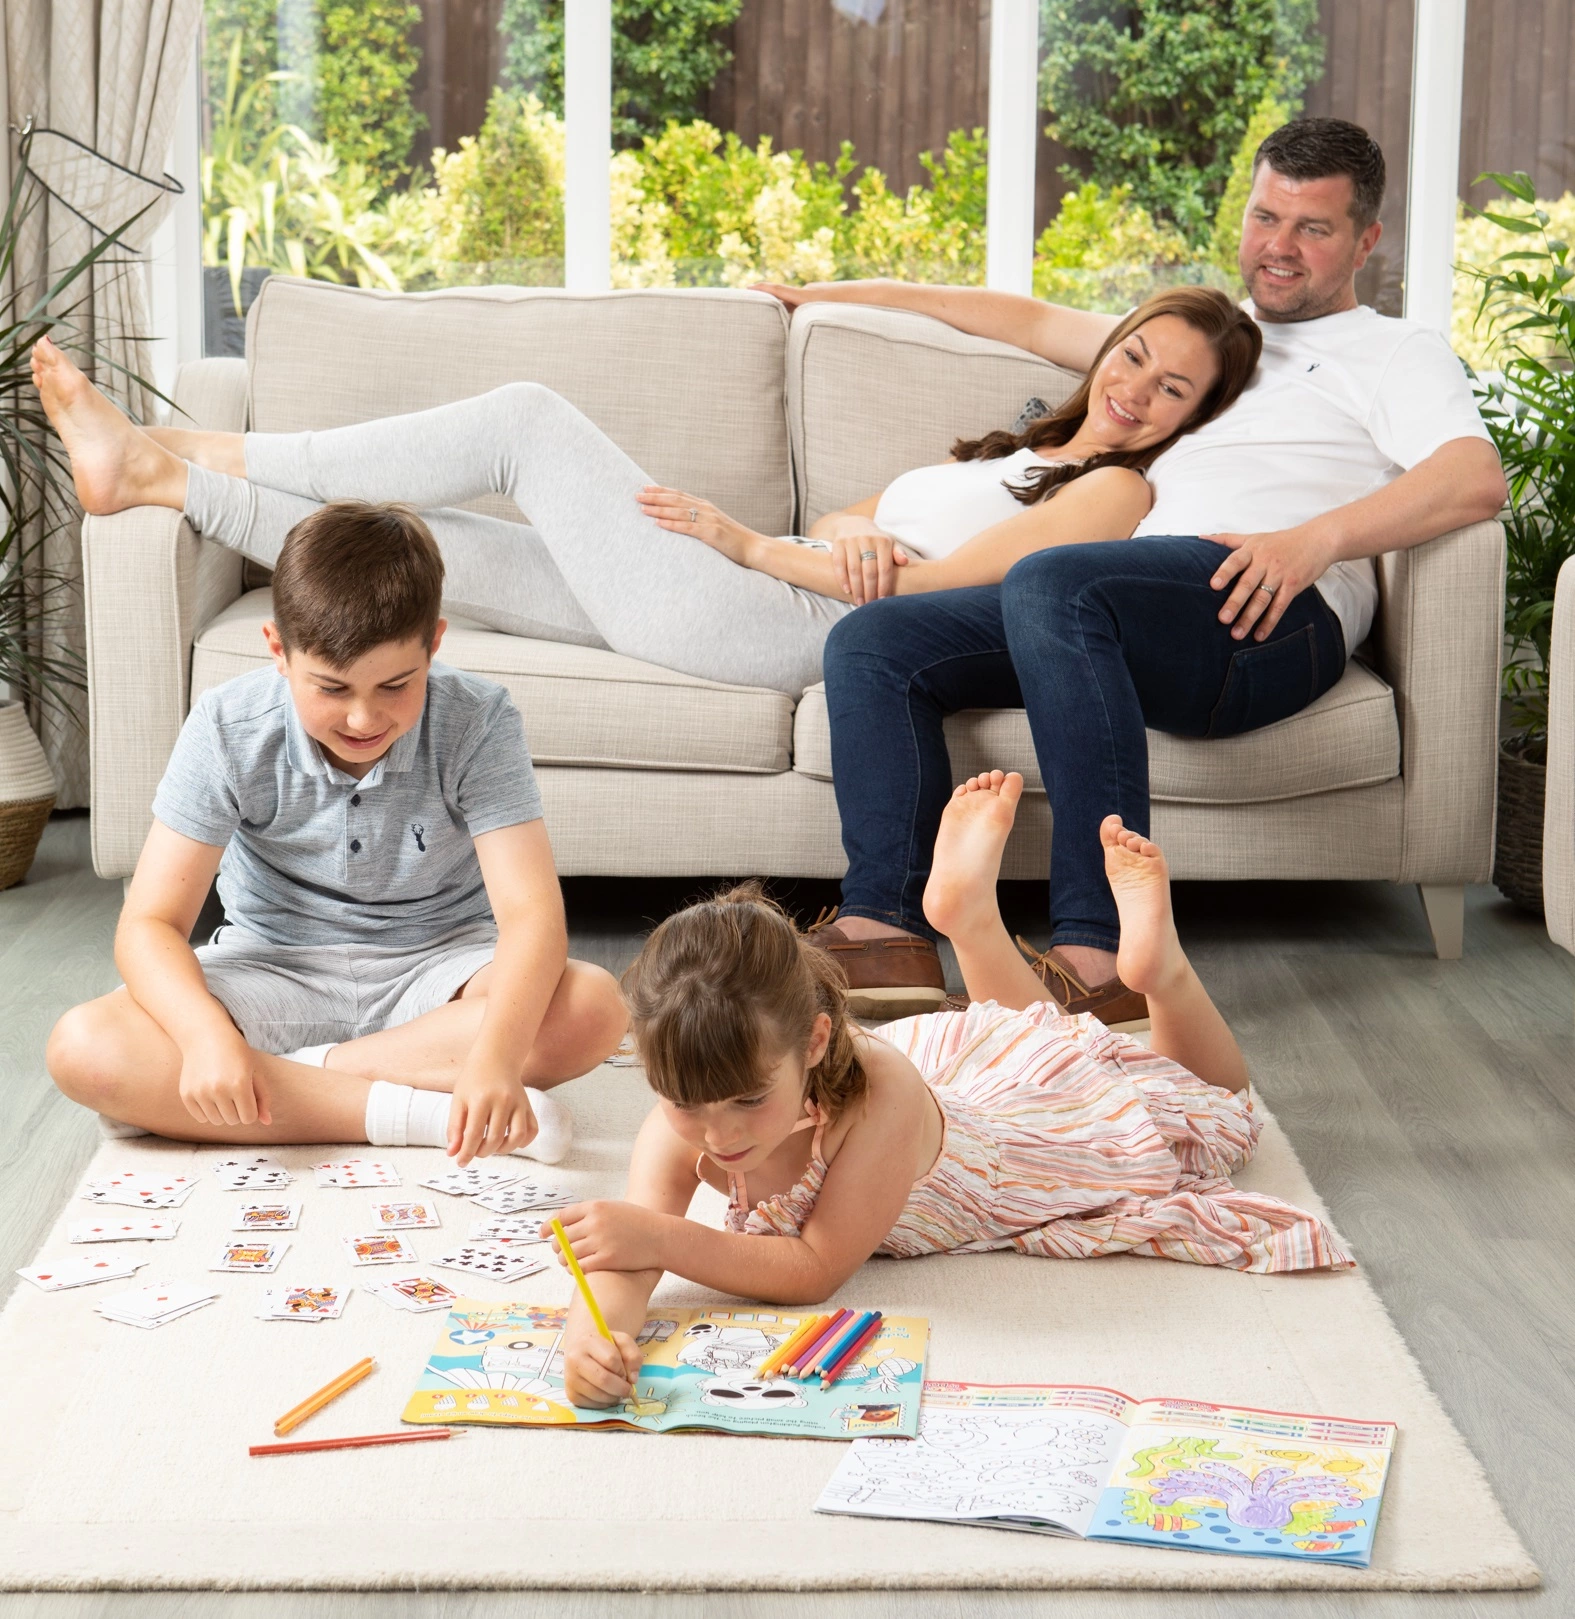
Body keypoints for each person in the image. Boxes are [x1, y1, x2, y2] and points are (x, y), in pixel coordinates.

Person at [756, 117, 1509, 1025]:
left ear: (1365, 240)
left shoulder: (1393, 353)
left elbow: (1475, 478)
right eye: (1265, 217)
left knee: (1053, 578)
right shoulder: (1210, 349)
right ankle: (883, 929)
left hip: (1268, 610)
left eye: (1312, 228)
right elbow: (1018, 317)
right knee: (877, 639)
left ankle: (1100, 954)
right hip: (1121, 606)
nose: (1278, 246)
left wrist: (1312, 541)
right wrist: (819, 292)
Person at [28, 283, 1257, 707]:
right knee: (414, 544)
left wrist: (752, 545)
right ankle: (164, 477)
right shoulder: (1009, 454)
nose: (1138, 388)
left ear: (1192, 418)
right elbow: (865, 520)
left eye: (1174, 389)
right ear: (1107, 347)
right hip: (771, 581)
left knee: (524, 420)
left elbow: (939, 586)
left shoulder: (1115, 498)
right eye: (1134, 354)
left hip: (792, 619)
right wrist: (825, 301)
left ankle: (201, 445)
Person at [549, 768, 1352, 1409]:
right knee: (1038, 1037)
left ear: (815, 1043)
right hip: (965, 1086)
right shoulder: (684, 1113)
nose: (718, 1134)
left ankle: (1161, 972)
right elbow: (625, 1253)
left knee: (1213, 1110)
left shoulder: (876, 1097)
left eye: (748, 1101)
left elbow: (813, 1266)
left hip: (1011, 1152)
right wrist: (596, 1338)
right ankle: (970, 918)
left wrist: (664, 1239)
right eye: (686, 1104)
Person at [45, 501, 628, 1164]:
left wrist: (495, 1059)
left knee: (593, 1006)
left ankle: (297, 1077)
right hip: (271, 969)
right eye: (331, 688)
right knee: (84, 1047)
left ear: (434, 644)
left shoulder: (479, 719)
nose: (363, 718)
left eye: (396, 685)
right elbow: (149, 922)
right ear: (279, 650)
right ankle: (421, 1114)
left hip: (440, 970)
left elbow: (531, 917)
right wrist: (207, 1037)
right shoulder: (226, 726)